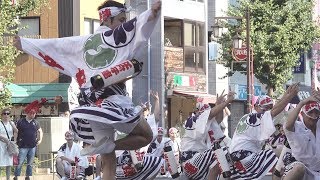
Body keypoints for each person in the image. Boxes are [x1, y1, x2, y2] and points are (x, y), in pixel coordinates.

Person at [13, 1, 161, 179]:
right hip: (114, 102)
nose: (123, 23)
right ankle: (110, 145)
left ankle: (107, 146)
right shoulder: (117, 37)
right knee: (146, 135)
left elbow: (56, 46)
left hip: (92, 109)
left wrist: (25, 44)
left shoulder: (81, 43)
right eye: (121, 19)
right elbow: (138, 26)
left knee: (108, 161)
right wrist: (151, 13)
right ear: (108, 18)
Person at [228, 83, 299, 179]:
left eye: (270, 107)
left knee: (278, 154)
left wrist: (286, 94)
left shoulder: (249, 117)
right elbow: (274, 111)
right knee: (276, 157)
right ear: (256, 106)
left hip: (236, 157)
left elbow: (274, 110)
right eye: (265, 108)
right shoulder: (253, 118)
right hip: (244, 156)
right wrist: (290, 96)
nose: (268, 111)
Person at [180, 91, 235, 180]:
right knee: (220, 151)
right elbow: (211, 114)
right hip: (190, 162)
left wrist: (219, 104)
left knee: (224, 154)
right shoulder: (194, 119)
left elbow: (218, 118)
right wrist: (226, 102)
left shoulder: (205, 124)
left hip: (199, 162)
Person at [283, 93, 320, 180]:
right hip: (301, 169)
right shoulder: (297, 127)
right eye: (310, 112)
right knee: (299, 168)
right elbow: (288, 125)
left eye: (316, 112)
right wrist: (301, 103)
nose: (313, 116)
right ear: (302, 114)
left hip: (317, 171)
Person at [14, 102, 43, 180]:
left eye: (34, 114)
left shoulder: (35, 122)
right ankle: (16, 176)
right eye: (31, 113)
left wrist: (40, 139)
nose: (33, 115)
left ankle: (28, 176)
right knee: (20, 162)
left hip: (32, 145)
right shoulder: (20, 121)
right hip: (22, 145)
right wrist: (15, 141)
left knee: (30, 163)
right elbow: (16, 131)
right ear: (28, 113)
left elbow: (40, 131)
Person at [0, 108, 18, 180]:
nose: (6, 115)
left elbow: (16, 131)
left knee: (8, 163)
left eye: (8, 114)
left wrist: (15, 141)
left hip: (9, 145)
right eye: (4, 113)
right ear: (1, 115)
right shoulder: (0, 123)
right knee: (0, 161)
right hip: (1, 144)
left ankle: (8, 178)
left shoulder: (12, 123)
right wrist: (4, 139)